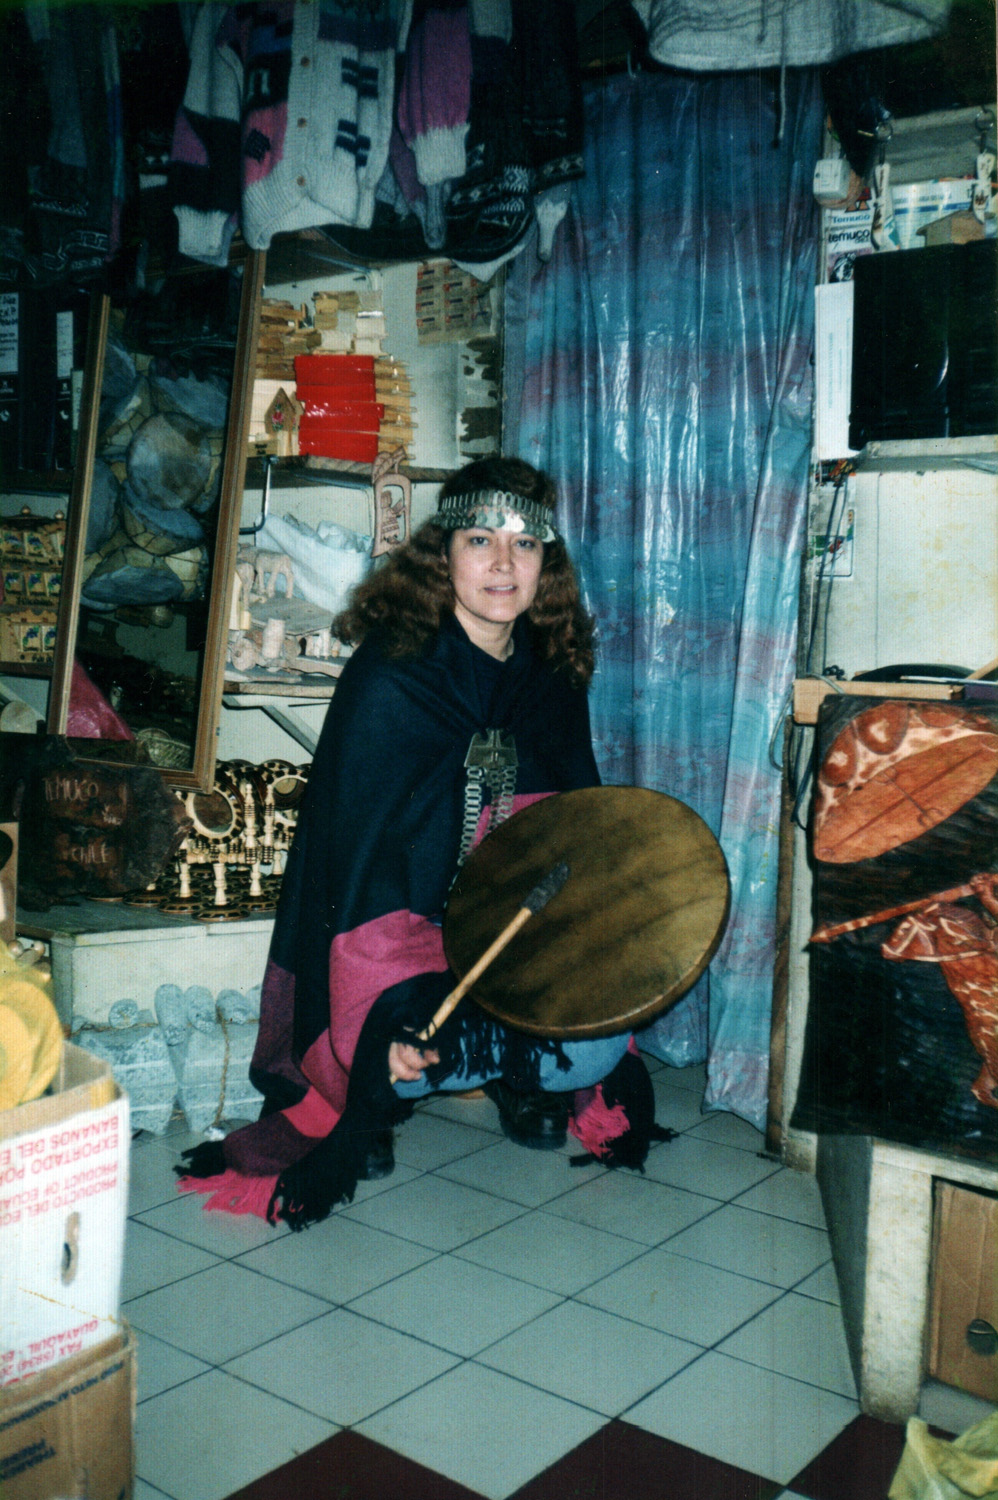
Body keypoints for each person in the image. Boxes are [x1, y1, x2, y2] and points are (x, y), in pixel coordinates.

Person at [179, 457, 666, 1230]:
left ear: (550, 562)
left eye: (525, 544)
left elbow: (573, 838)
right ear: (444, 554)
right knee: (397, 1055)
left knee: (597, 1052)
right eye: (481, 539)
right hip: (400, 940)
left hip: (513, 940)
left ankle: (515, 1077)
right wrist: (383, 1016)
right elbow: (363, 874)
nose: (503, 564)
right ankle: (367, 1095)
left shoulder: (552, 674)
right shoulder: (392, 677)